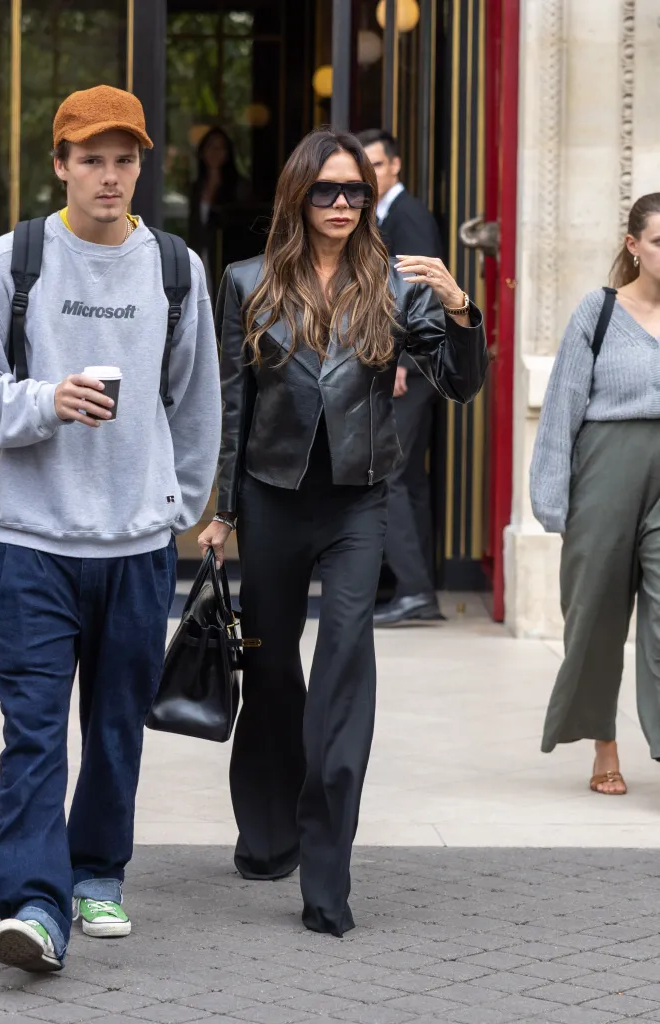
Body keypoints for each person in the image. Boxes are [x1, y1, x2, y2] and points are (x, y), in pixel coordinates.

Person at [0, 85, 221, 972]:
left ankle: (97, 871)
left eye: (123, 160)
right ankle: (33, 903)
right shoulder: (11, 262)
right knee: (32, 732)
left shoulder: (174, 268)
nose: (109, 176)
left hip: (136, 549)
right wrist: (42, 402)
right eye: (91, 159)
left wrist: (174, 507)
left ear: (140, 168)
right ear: (59, 165)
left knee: (115, 727)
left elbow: (196, 401)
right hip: (32, 544)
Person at [199, 128, 487, 936]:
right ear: (298, 195)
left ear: (368, 198)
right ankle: (268, 834)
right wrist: (221, 511)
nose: (339, 203)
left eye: (353, 191)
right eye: (324, 190)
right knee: (271, 673)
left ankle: (326, 875)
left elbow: (458, 384)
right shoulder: (246, 282)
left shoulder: (396, 284)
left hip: (359, 500)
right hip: (270, 499)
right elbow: (232, 405)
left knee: (342, 674)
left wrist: (459, 307)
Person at [530, 192, 660, 796]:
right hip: (606, 472)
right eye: (659, 241)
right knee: (597, 617)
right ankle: (603, 746)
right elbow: (561, 407)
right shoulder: (598, 311)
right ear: (634, 246)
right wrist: (551, 498)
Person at [358, 128, 445, 625]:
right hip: (409, 367)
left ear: (394, 166)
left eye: (376, 165)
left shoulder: (407, 215)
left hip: (407, 369)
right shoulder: (383, 213)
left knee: (389, 474)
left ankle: (414, 590)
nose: (368, 175)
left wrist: (401, 362)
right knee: (407, 478)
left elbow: (421, 289)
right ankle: (414, 587)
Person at [188, 127, 251, 292]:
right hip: (199, 255)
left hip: (226, 257)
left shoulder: (239, 187)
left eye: (220, 147)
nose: (215, 152)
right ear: (202, 152)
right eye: (211, 146)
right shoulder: (196, 187)